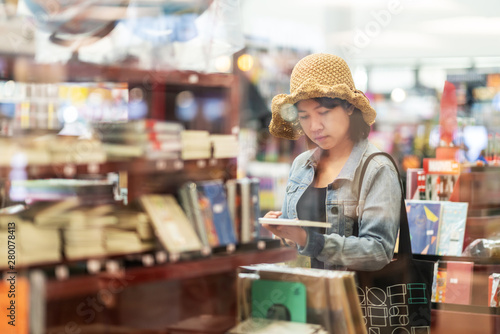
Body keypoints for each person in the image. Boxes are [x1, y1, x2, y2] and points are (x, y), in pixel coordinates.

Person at [262, 53, 401, 271]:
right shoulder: (302, 165)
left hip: (351, 300)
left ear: (349, 107)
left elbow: (378, 250)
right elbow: (296, 242)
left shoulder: (376, 168)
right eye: (304, 116)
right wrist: (284, 231)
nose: (314, 126)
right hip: (301, 295)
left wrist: (311, 241)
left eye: (323, 112)